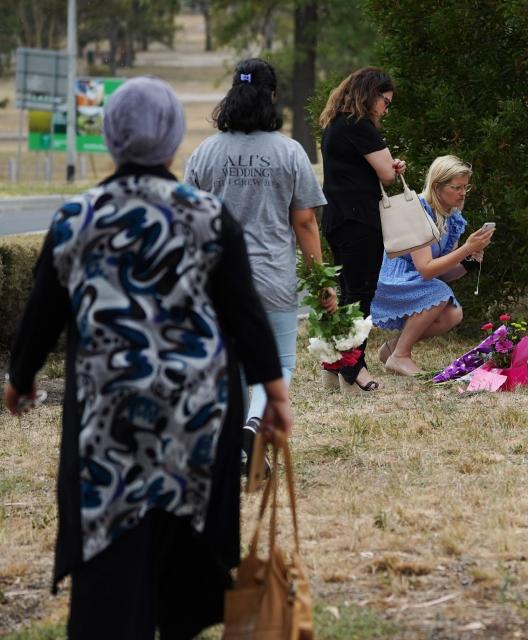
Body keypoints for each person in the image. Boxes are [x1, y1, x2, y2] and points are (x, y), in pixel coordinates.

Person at [3, 77, 290, 639]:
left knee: (109, 529)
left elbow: (43, 311)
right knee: (185, 534)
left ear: (111, 136)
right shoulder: (207, 215)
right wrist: (274, 393)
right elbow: (245, 313)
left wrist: (20, 377)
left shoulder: (76, 217)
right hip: (199, 411)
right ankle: (179, 618)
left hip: (107, 412)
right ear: (173, 137)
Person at [185, 58, 335, 464]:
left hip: (218, 280)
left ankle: (239, 436)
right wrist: (321, 278)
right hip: (273, 277)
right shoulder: (290, 152)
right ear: (273, 97)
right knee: (280, 361)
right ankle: (254, 424)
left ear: (232, 95)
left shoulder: (204, 153)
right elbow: (304, 222)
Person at [317, 66, 406, 392]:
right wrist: (393, 168)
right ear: (370, 95)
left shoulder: (335, 125)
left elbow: (358, 169)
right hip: (360, 221)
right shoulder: (360, 126)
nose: (386, 108)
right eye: (385, 101)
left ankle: (334, 365)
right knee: (360, 298)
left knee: (345, 295)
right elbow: (386, 174)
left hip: (336, 219)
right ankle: (355, 370)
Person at [371, 155, 495, 375]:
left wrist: (469, 261)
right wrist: (465, 249)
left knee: (453, 314)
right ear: (437, 187)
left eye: (465, 187)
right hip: (393, 279)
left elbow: (443, 273)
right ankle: (400, 356)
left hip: (417, 279)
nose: (462, 193)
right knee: (439, 292)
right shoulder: (417, 211)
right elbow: (427, 270)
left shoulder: (452, 218)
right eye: (456, 187)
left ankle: (391, 349)